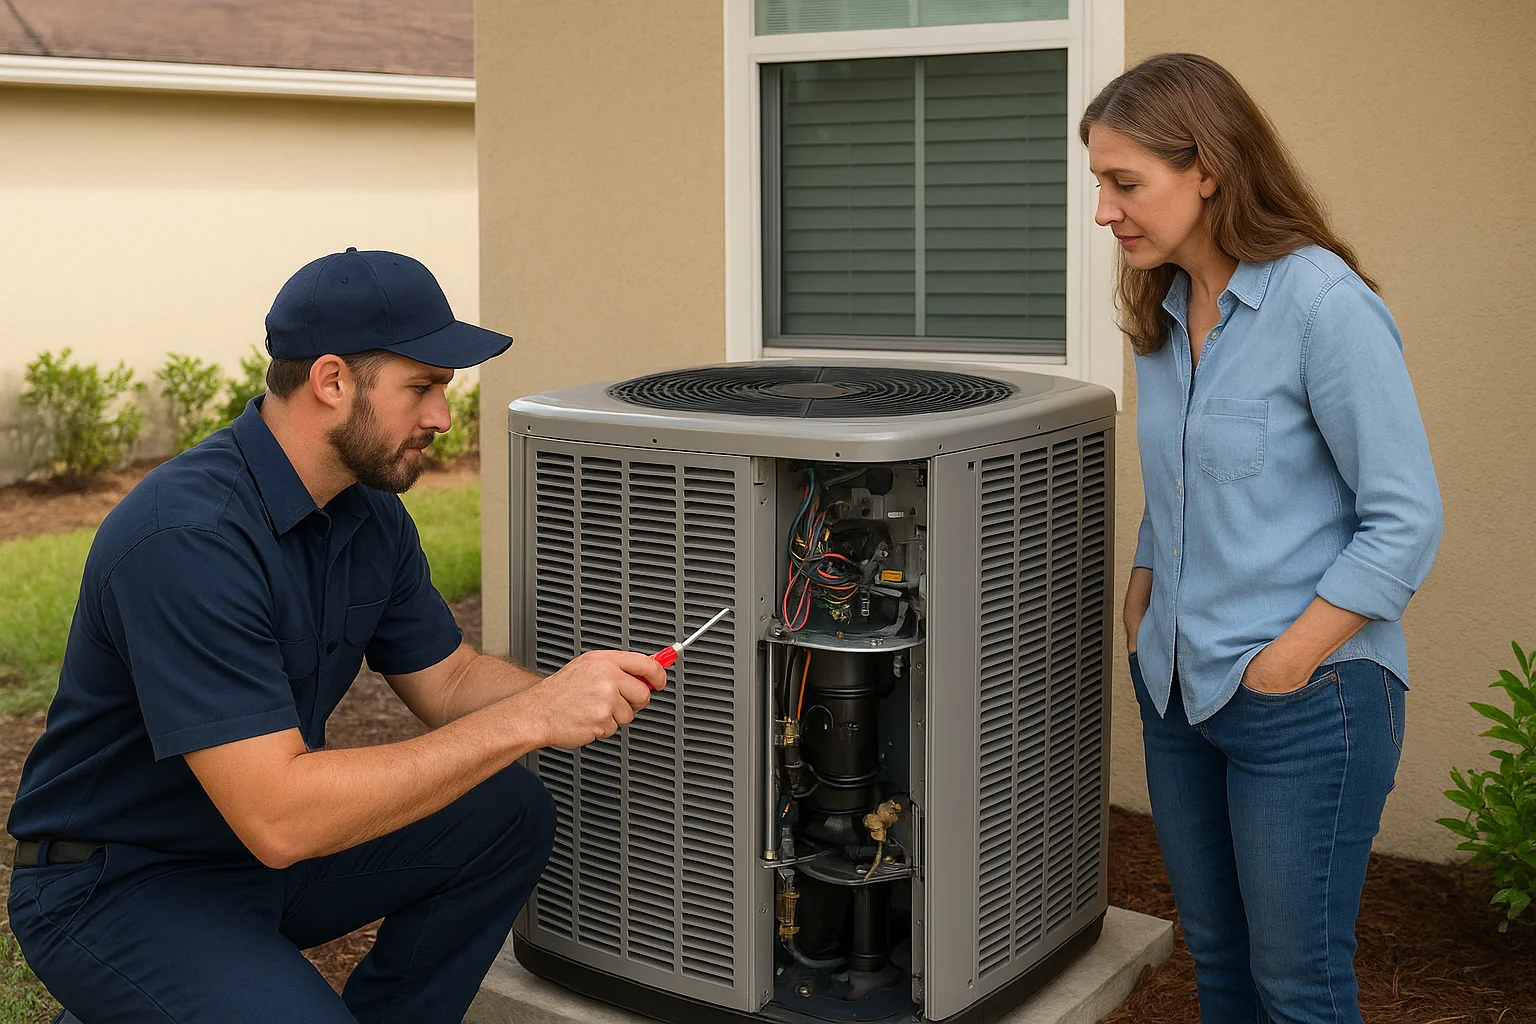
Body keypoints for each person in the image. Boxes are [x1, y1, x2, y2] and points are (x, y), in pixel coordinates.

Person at [6, 248, 667, 1024]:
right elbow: (282, 817)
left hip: (253, 858)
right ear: (331, 382)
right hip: (121, 884)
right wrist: (531, 718)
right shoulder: (187, 539)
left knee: (506, 814)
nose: (442, 419)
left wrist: (567, 694)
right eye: (421, 388)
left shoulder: (368, 514)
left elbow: (448, 681)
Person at [1081, 55, 1443, 1023]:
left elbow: (1405, 516)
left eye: (1126, 183)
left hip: (1305, 704)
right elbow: (1183, 478)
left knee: (1299, 988)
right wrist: (1144, 585)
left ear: (1207, 167)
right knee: (1222, 968)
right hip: (1176, 689)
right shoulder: (1157, 309)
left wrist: (1285, 662)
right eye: (1098, 185)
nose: (1106, 212)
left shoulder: (1324, 306)